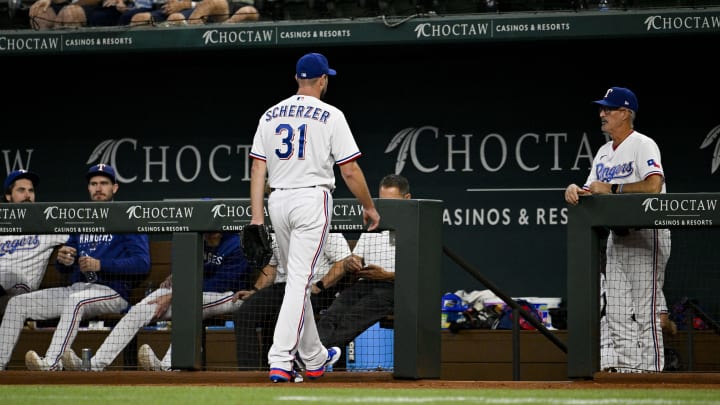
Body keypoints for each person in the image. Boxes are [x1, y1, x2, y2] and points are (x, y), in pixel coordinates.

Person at [248, 51, 380, 382]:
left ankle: (315, 357)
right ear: (323, 80)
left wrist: (256, 217)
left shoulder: (270, 114)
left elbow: (257, 167)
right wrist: (368, 205)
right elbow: (349, 169)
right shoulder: (331, 115)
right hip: (311, 198)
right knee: (299, 281)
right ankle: (280, 358)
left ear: (297, 78)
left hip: (276, 201)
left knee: (296, 280)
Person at [0, 163, 151, 372]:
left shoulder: (126, 217)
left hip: (112, 292)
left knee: (75, 301)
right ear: (89, 188)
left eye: (104, 183)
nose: (98, 188)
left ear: (114, 188)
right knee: (17, 304)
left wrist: (101, 265)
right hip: (77, 289)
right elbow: (65, 263)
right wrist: (64, 260)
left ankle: (51, 363)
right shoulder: (82, 219)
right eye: (93, 184)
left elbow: (142, 264)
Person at [564, 87, 671, 373]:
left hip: (646, 234)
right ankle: (629, 376)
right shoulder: (602, 152)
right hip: (617, 236)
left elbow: (653, 185)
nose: (602, 113)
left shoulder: (642, 143)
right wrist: (575, 190)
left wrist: (613, 189)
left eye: (608, 109)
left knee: (646, 312)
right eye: (602, 109)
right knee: (617, 312)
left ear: (625, 113)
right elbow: (592, 190)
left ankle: (652, 377)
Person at [60, 231, 253, 371]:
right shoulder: (195, 237)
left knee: (190, 306)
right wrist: (177, 280)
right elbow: (189, 269)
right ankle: (95, 365)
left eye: (211, 230)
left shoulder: (235, 242)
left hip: (230, 296)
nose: (208, 235)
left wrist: (178, 293)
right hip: (189, 293)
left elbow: (222, 283)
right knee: (139, 310)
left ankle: (169, 365)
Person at [317, 174, 410, 352]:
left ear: (407, 199)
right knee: (332, 313)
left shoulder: (417, 228)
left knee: (352, 318)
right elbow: (356, 257)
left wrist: (387, 275)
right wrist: (352, 263)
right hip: (365, 283)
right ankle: (317, 356)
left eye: (393, 202)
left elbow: (421, 274)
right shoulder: (374, 224)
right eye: (383, 202)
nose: (386, 208)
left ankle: (317, 356)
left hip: (396, 288)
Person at [233, 230, 352, 370]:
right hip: (284, 287)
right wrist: (255, 291)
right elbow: (271, 267)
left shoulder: (323, 226)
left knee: (283, 316)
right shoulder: (276, 227)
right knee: (245, 314)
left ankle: (288, 368)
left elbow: (343, 261)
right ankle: (250, 375)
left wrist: (319, 285)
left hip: (318, 290)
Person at [1, 170, 69, 316]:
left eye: (31, 191)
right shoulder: (2, 226)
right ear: (8, 196)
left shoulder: (46, 224)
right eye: (21, 190)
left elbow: (78, 240)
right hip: (2, 297)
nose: (28, 195)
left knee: (9, 273)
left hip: (23, 292)